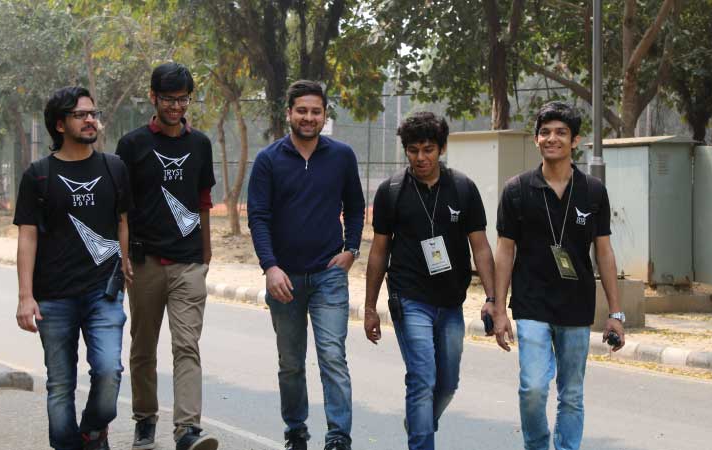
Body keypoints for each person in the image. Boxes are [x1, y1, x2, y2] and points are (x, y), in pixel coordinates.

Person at [493, 101, 625, 450]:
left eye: (561, 133)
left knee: (572, 394)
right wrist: (497, 307)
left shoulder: (593, 191)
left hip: (576, 307)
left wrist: (616, 313)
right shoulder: (517, 190)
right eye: (545, 132)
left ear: (575, 140)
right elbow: (505, 251)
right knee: (533, 387)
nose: (552, 138)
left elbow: (605, 253)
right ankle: (537, 446)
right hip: (530, 303)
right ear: (536, 140)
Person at [363, 112, 496, 450]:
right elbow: (379, 252)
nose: (420, 158)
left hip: (451, 303)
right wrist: (369, 307)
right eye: (413, 150)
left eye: (428, 149)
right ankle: (421, 442)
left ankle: (419, 419)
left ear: (441, 148)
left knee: (447, 384)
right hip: (409, 299)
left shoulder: (463, 188)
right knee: (422, 378)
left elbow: (480, 247)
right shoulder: (391, 191)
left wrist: (493, 298)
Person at [247, 80, 365, 450]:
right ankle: (295, 429)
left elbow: (357, 206)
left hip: (329, 276)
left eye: (316, 111)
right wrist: (270, 267)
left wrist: (351, 250)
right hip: (284, 279)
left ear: (325, 115)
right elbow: (259, 217)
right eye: (302, 110)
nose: (309, 117)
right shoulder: (269, 160)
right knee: (291, 363)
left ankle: (338, 436)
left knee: (332, 356)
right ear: (289, 114)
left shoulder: (342, 156)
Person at [14, 86, 132, 450]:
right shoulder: (39, 175)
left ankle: (94, 431)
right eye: (81, 115)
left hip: (104, 293)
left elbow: (124, 220)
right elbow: (27, 237)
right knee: (61, 384)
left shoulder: (114, 167)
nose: (90, 120)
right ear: (60, 124)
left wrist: (126, 264)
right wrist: (25, 297)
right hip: (54, 298)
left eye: (92, 113)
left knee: (109, 372)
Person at [115, 62, 218, 450]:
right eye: (169, 99)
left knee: (186, 346)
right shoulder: (132, 145)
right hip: (143, 263)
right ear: (154, 98)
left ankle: (187, 430)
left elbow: (204, 200)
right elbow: (121, 208)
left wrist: (206, 253)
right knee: (143, 348)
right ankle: (145, 420)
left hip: (188, 263)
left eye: (183, 99)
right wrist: (121, 256)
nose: (176, 107)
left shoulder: (201, 144)